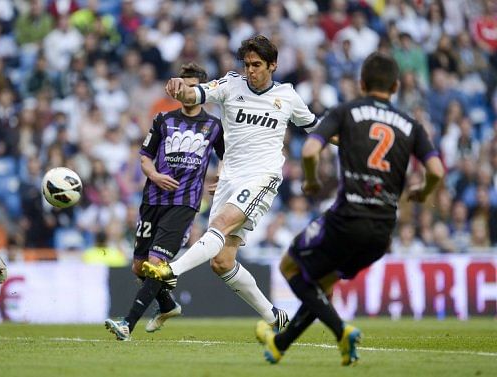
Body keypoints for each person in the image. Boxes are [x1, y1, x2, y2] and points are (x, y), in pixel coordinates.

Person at [254, 52, 444, 366]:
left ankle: (342, 330)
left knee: (290, 266)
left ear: (361, 83)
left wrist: (312, 182)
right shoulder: (411, 125)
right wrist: (422, 192)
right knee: (322, 285)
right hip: (382, 232)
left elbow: (312, 150)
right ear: (395, 86)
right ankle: (279, 345)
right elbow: (436, 170)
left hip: (347, 217)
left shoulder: (346, 111)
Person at [143, 35, 330, 332]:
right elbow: (195, 96)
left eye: (257, 65)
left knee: (219, 224)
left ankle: (169, 270)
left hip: (263, 176)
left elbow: (315, 128)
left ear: (273, 65)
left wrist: (348, 139)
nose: (250, 71)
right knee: (221, 262)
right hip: (230, 178)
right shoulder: (231, 85)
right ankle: (274, 317)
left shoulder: (288, 96)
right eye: (247, 65)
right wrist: (181, 89)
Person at [105, 62, 225, 340]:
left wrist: (220, 176)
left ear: (203, 91)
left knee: (156, 262)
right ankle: (168, 305)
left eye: (194, 87)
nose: (189, 92)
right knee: (139, 266)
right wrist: (155, 175)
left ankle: (127, 324)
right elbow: (145, 156)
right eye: (184, 86)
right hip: (153, 199)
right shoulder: (163, 119)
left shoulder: (213, 125)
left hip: (184, 203)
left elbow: (226, 157)